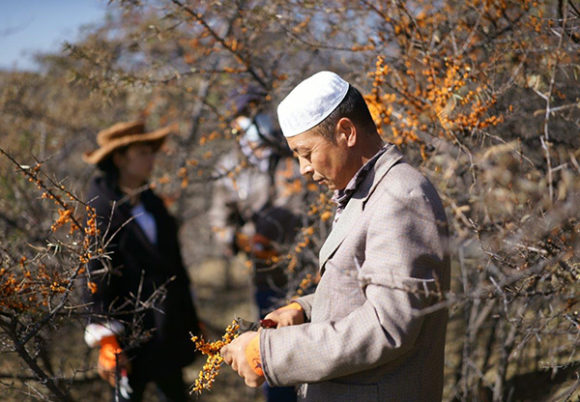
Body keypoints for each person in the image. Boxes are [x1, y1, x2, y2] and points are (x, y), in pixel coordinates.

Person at [220, 71, 450, 401]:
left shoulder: (401, 197)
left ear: (345, 132)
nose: (303, 168)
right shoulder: (368, 192)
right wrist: (302, 310)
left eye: (306, 152)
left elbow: (387, 326)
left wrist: (270, 353)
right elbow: (364, 291)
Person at [82, 121, 201, 402]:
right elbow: (95, 274)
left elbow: (175, 266)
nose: (152, 159)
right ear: (120, 158)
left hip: (166, 325)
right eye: (143, 152)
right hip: (129, 333)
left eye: (151, 152)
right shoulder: (101, 207)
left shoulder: (153, 202)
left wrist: (190, 316)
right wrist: (107, 337)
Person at [209, 87, 302, 401]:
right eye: (246, 113)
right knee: (273, 348)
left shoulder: (291, 152)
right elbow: (219, 221)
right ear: (236, 122)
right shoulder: (227, 167)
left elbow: (302, 202)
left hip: (307, 265)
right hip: (265, 273)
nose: (255, 118)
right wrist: (240, 241)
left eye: (258, 109)